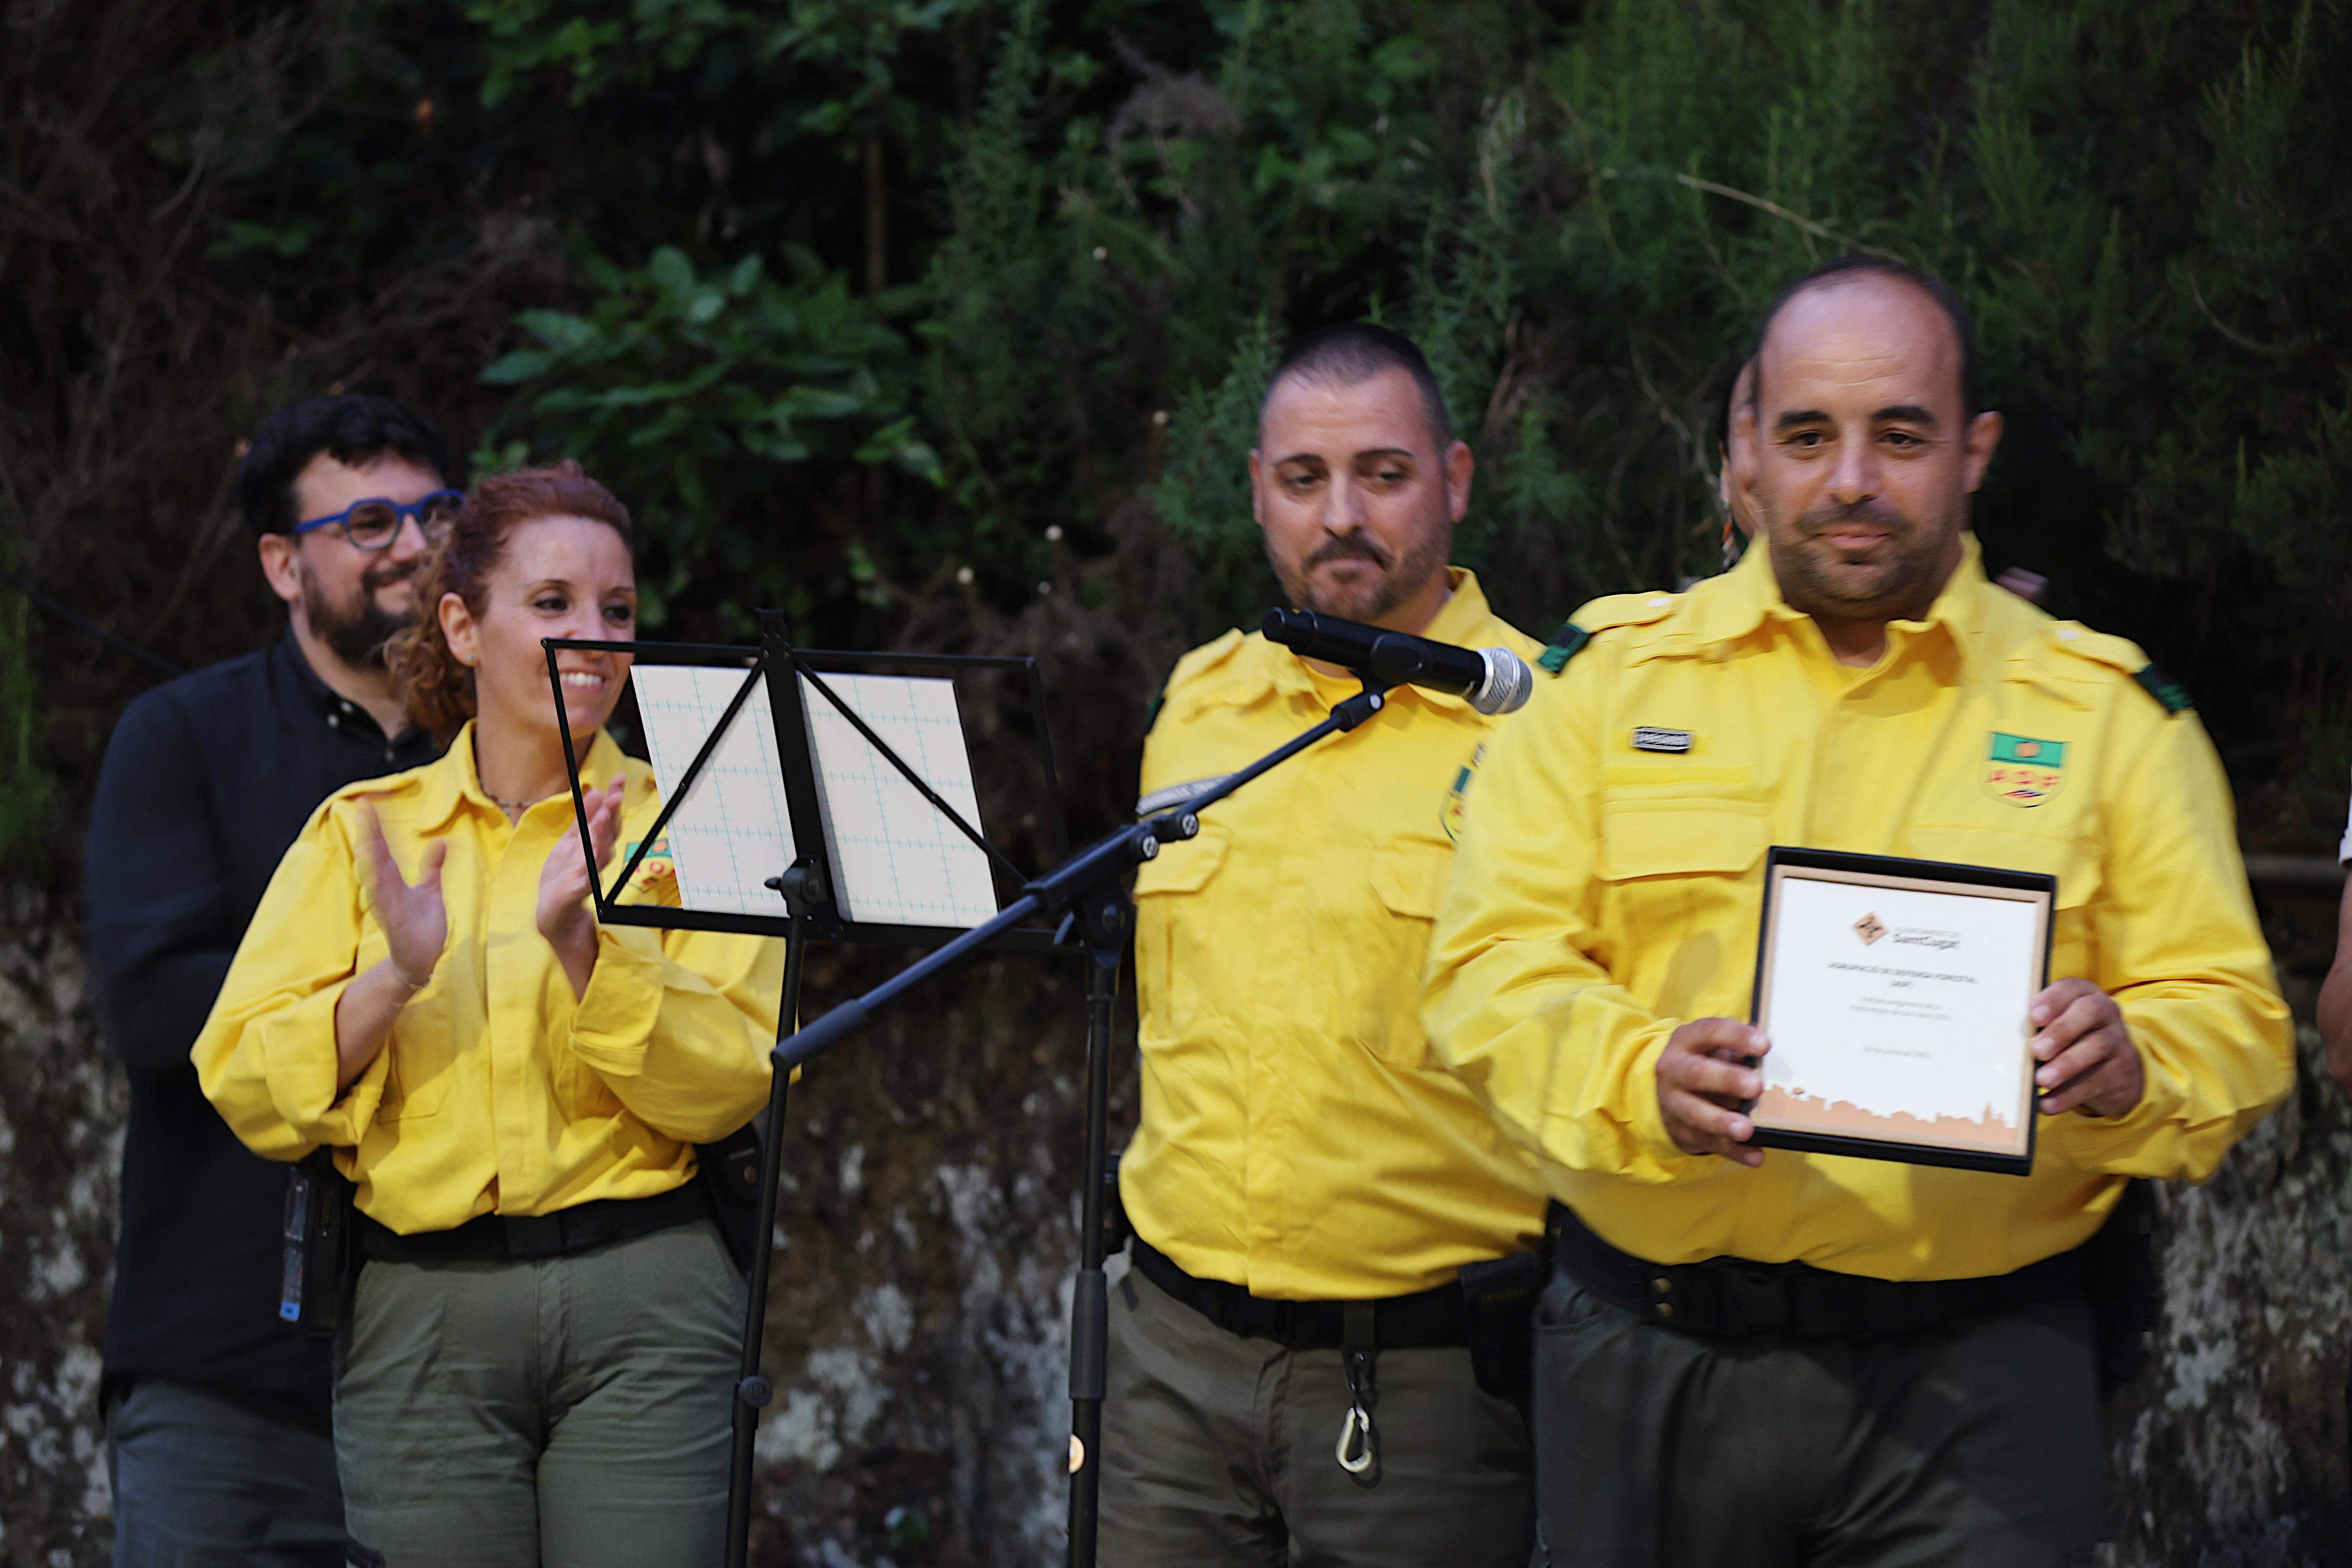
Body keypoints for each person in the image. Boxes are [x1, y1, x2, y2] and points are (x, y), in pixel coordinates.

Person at [1423, 257, 2294, 1567]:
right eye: (1809, 435)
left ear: (1973, 451)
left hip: (1980, 1387)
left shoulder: (2110, 719)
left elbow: (2232, 1013)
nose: (1851, 481)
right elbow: (1488, 969)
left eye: (1900, 435)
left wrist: (2133, 1063)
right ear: (1746, 449)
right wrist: (1639, 1070)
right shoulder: (1602, 689)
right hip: (1652, 1358)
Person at [192, 462, 778, 1567]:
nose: (593, 636)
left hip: (647, 1297)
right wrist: (389, 979)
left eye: (619, 610)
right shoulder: (361, 827)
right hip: (422, 1311)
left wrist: (583, 951)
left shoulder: (702, 821)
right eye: (552, 604)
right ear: (461, 626)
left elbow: (733, 1082)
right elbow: (243, 1083)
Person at [1100, 322, 1544, 1566]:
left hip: (1424, 1383)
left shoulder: (1548, 727)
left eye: (1383, 474)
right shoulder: (1196, 704)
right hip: (1170, 1371)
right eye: (1304, 479)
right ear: (1256, 491)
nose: (1341, 514)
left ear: (1454, 480)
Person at [85, 391, 453, 1566]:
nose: (411, 545)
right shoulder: (179, 734)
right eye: (372, 522)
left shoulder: (516, 756)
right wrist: (391, 980)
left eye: (436, 514)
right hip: (227, 1370)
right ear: (283, 564)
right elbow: (156, 1011)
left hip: (465, 1377)